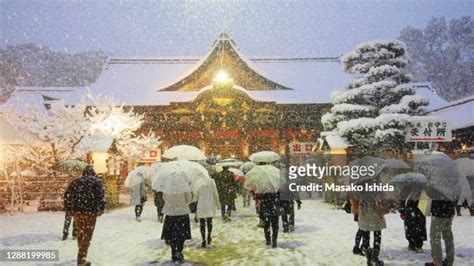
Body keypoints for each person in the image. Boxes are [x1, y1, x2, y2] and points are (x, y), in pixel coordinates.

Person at [64, 166, 105, 266]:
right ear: (93, 173)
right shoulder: (96, 182)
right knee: (87, 235)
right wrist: (101, 209)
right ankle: (81, 259)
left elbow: (67, 195)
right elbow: (101, 196)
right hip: (91, 212)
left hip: (77, 212)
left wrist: (69, 209)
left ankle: (81, 253)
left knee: (81, 233)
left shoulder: (75, 182)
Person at [161, 192, 192, 263]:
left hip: (171, 212)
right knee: (182, 234)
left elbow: (165, 198)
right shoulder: (184, 186)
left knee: (172, 234)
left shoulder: (168, 186)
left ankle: (174, 252)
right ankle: (179, 250)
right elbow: (188, 199)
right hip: (182, 212)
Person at [358, 195, 388, 265]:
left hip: (364, 214)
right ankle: (375, 258)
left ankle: (368, 258)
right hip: (375, 214)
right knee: (377, 235)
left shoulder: (361, 188)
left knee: (365, 235)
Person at [192, 178, 220, 248]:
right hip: (210, 205)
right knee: (209, 222)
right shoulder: (212, 182)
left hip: (201, 206)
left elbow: (195, 197)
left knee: (202, 224)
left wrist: (193, 200)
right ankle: (209, 237)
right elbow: (215, 194)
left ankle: (203, 240)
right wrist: (218, 204)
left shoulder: (198, 182)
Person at [426, 200, 456, 266]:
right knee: (448, 237)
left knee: (435, 237)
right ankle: (449, 261)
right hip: (449, 210)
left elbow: (429, 193)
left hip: (439, 211)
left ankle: (437, 262)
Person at [399, 187, 426, 252]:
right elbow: (402, 201)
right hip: (408, 213)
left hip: (418, 213)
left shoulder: (422, 191)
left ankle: (419, 245)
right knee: (409, 229)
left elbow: (424, 204)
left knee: (419, 229)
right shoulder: (405, 190)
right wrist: (402, 211)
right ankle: (411, 244)